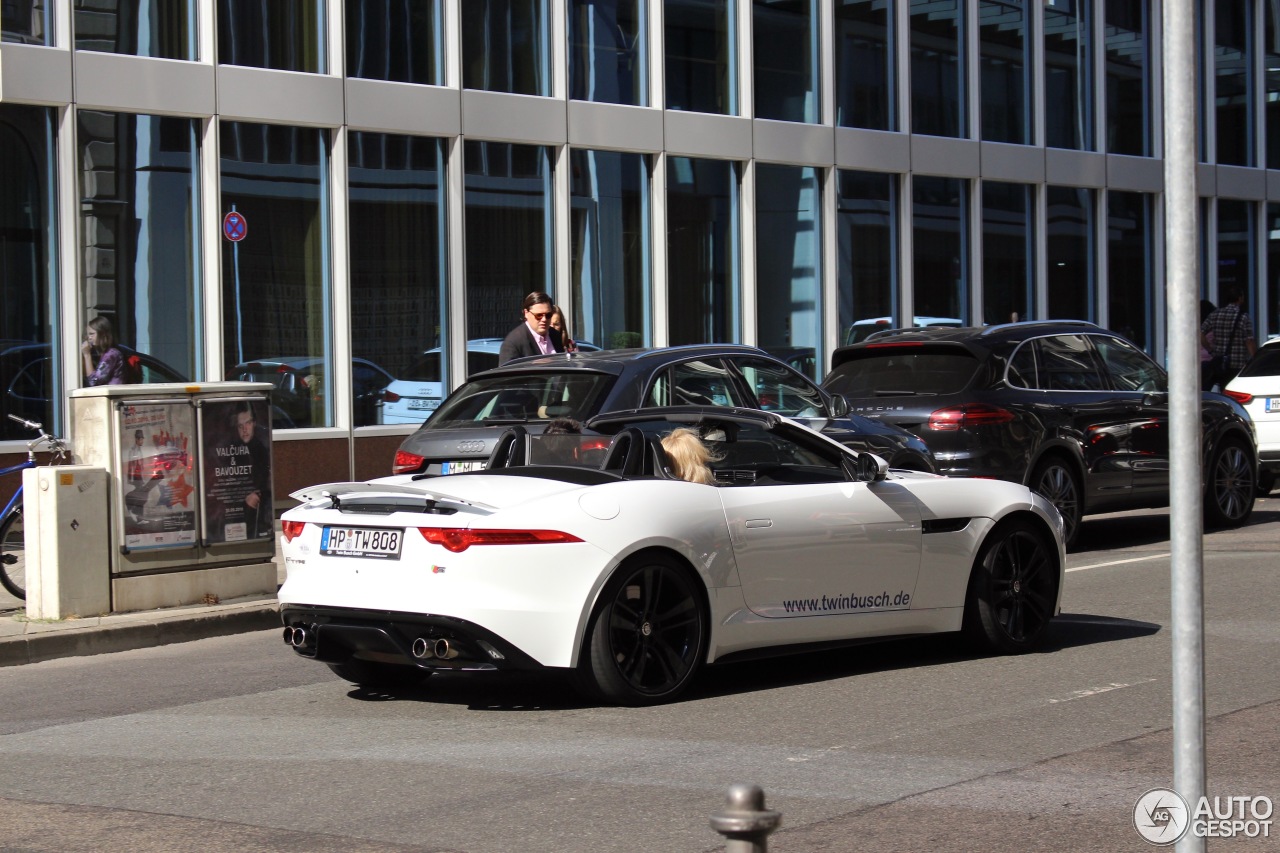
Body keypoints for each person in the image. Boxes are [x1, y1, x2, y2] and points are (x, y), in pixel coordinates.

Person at [1201, 286, 1257, 390]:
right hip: (1237, 364)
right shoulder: (1243, 316)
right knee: (1235, 391)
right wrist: (1255, 360)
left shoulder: (1215, 314)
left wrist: (1210, 350)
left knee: (1223, 389)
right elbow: (1249, 341)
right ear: (1240, 299)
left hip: (1220, 362)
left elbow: (1200, 334)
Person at [498, 291, 564, 366]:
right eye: (539, 315)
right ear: (526, 313)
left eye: (548, 315)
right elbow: (507, 376)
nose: (544, 319)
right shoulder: (513, 343)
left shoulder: (554, 334)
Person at [82, 315, 129, 386]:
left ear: (102, 334)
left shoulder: (111, 355)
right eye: (88, 334)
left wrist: (87, 355)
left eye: (92, 334)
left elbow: (94, 382)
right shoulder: (102, 353)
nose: (89, 337)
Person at [1199, 299, 1217, 391]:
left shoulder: (1192, 327)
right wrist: (1211, 350)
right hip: (1208, 361)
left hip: (1195, 363)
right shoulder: (1211, 328)